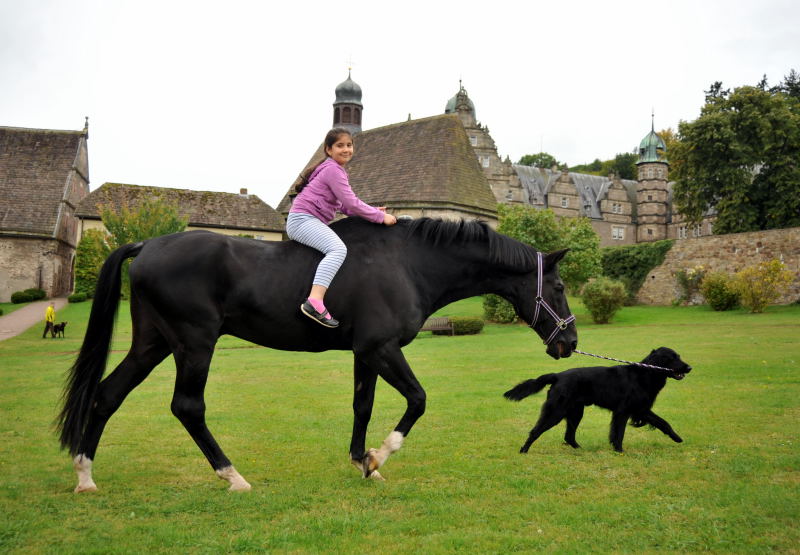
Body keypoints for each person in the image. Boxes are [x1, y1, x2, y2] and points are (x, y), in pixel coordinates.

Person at [287, 127, 397, 328]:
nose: (346, 149)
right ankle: (314, 301)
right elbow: (353, 203)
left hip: (307, 220)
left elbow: (345, 206)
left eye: (349, 145)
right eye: (340, 146)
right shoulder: (333, 170)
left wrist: (372, 210)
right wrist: (381, 217)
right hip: (302, 220)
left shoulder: (332, 169)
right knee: (337, 249)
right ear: (329, 150)